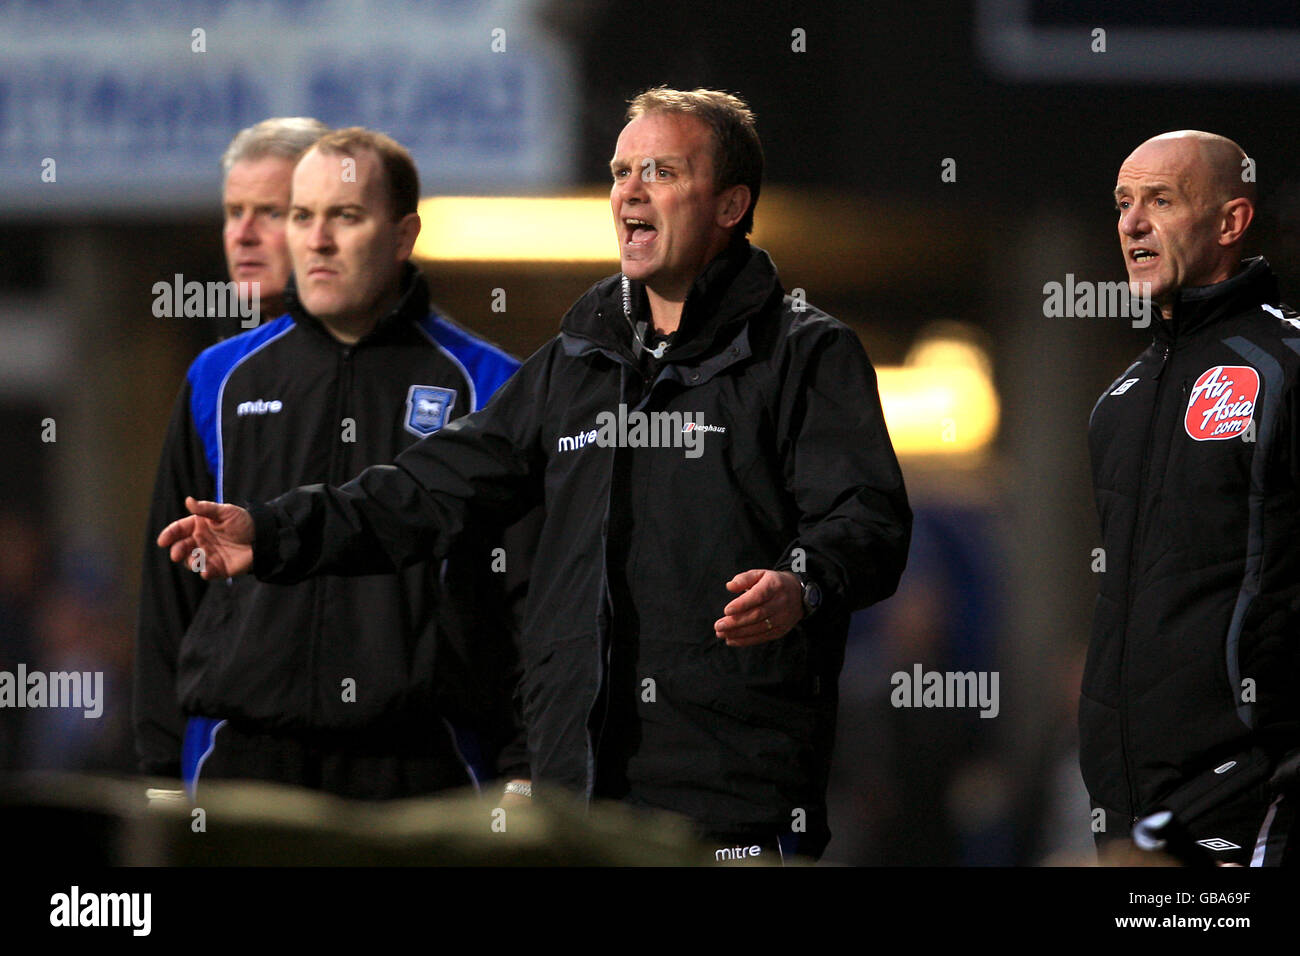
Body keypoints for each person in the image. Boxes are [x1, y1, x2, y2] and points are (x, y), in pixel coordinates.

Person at [156, 89, 911, 861]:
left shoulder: (804, 355)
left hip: (729, 807)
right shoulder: (575, 365)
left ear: (729, 204)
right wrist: (275, 530)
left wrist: (802, 580)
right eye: (621, 171)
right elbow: (427, 489)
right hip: (576, 802)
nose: (631, 191)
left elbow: (869, 522)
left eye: (662, 171)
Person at [135, 122, 529, 800]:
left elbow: (530, 597)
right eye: (302, 216)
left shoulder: (488, 386)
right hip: (242, 760)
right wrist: (161, 770)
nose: (316, 239)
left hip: (425, 766)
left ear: (404, 237)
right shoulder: (220, 380)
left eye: (345, 217)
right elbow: (170, 589)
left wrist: (525, 766)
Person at [1085, 130, 1299, 865]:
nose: (1132, 223)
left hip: (1255, 789)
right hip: (1128, 800)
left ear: (1230, 223)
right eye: (1123, 204)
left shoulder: (1287, 368)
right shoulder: (1117, 402)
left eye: (1161, 200)